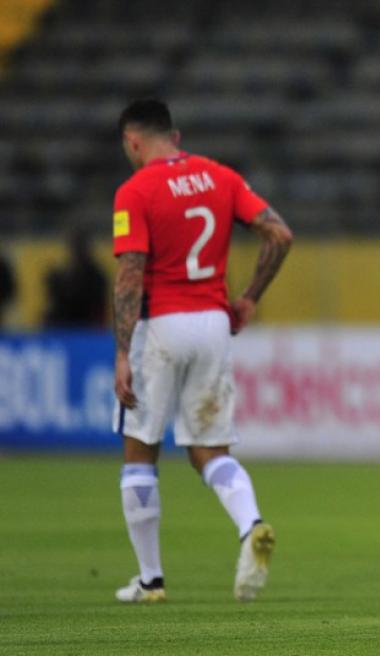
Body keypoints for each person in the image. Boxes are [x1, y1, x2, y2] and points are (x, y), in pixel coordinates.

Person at [111, 99, 293, 603]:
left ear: (133, 141)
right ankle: (251, 524)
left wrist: (123, 351)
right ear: (177, 134)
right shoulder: (219, 177)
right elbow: (279, 234)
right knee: (209, 451)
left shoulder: (135, 190)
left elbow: (130, 273)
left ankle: (151, 580)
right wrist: (251, 297)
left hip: (162, 323)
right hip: (213, 321)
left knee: (139, 452)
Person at [43, 228, 108, 327]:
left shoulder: (96, 276)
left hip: (88, 325)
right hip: (64, 324)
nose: (75, 251)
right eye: (73, 247)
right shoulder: (62, 275)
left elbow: (94, 305)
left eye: (79, 247)